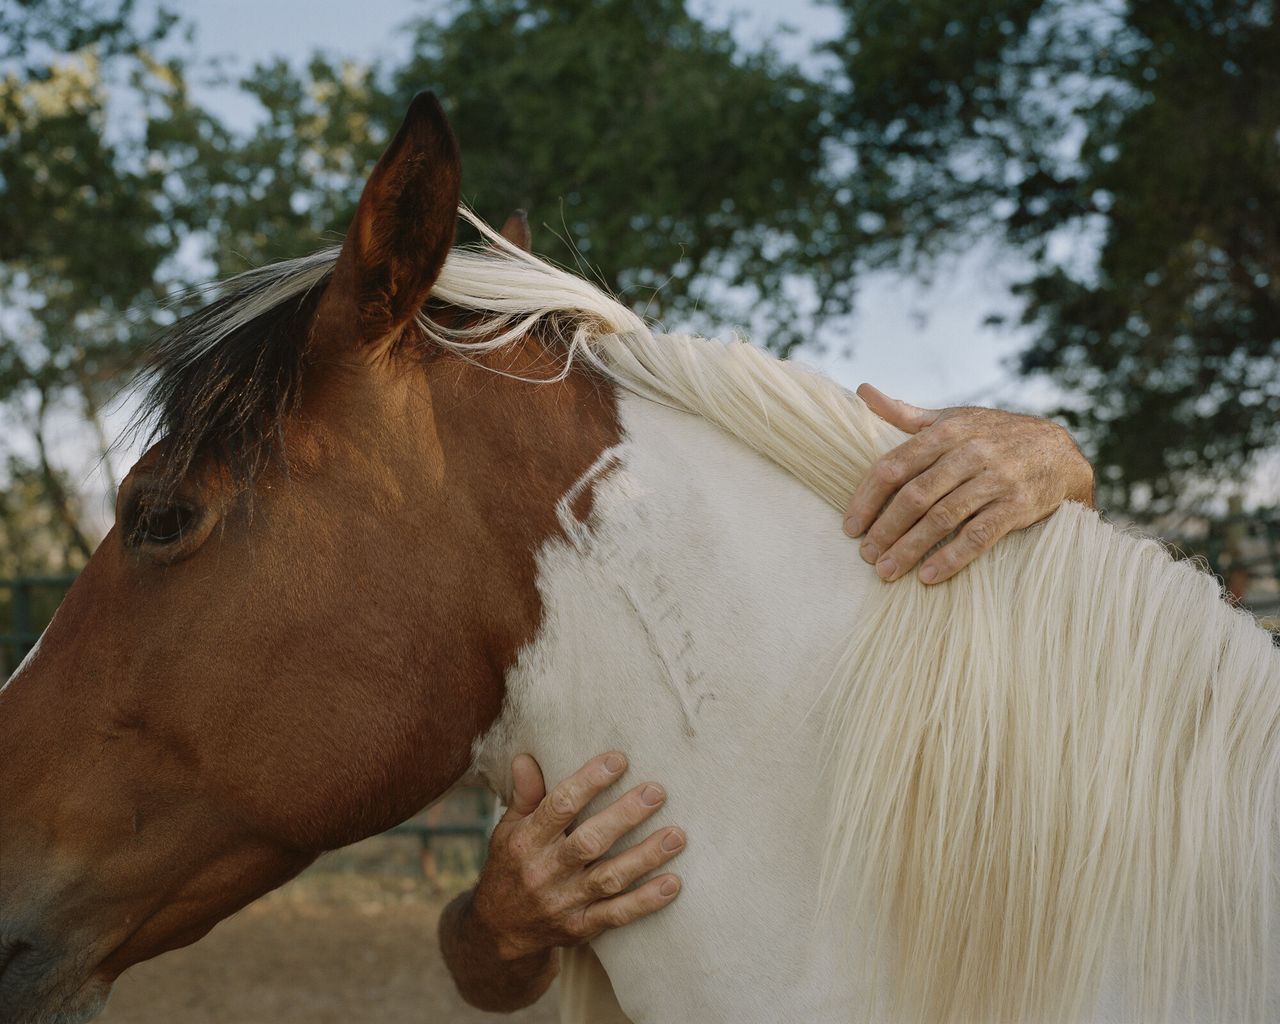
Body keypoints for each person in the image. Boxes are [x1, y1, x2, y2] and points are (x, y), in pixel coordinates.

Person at [439, 385, 1095, 1020]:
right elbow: (490, 985)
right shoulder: (581, 687)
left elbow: (1095, 661)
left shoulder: (893, 588)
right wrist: (498, 924)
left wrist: (1061, 466)